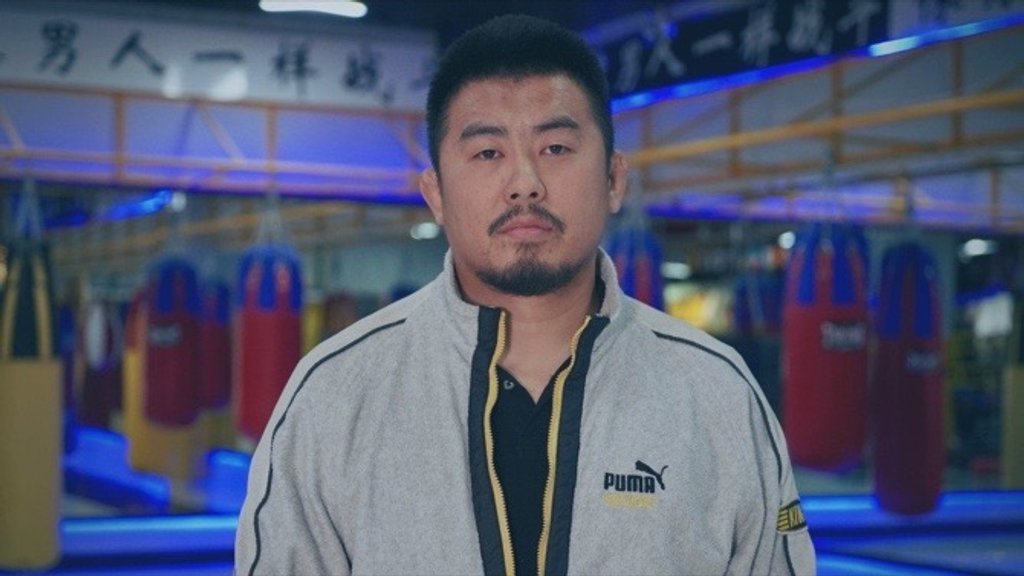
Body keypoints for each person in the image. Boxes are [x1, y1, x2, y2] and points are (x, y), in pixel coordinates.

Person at [235, 14, 815, 576]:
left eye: (556, 148)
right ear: (435, 195)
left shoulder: (716, 395)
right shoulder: (336, 395)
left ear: (614, 179)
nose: (525, 184)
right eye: (488, 152)